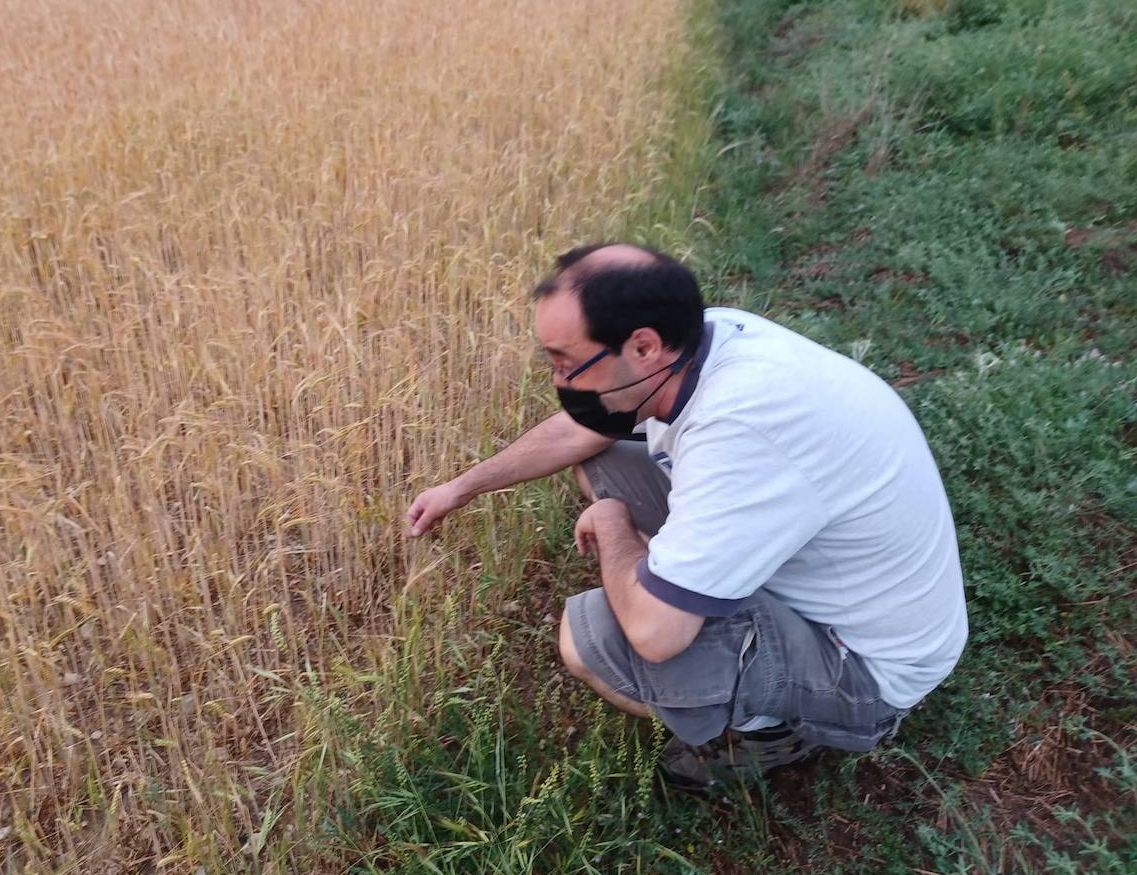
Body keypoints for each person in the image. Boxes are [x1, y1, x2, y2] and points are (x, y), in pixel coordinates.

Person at [404, 242, 967, 789]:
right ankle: (688, 577)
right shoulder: (704, 338)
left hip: (866, 664)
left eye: (566, 363)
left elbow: (655, 635)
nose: (559, 383)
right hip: (826, 575)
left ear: (644, 347)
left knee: (592, 641)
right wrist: (462, 487)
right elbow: (582, 430)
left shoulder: (741, 429)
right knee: (605, 463)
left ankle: (767, 734)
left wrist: (611, 522)